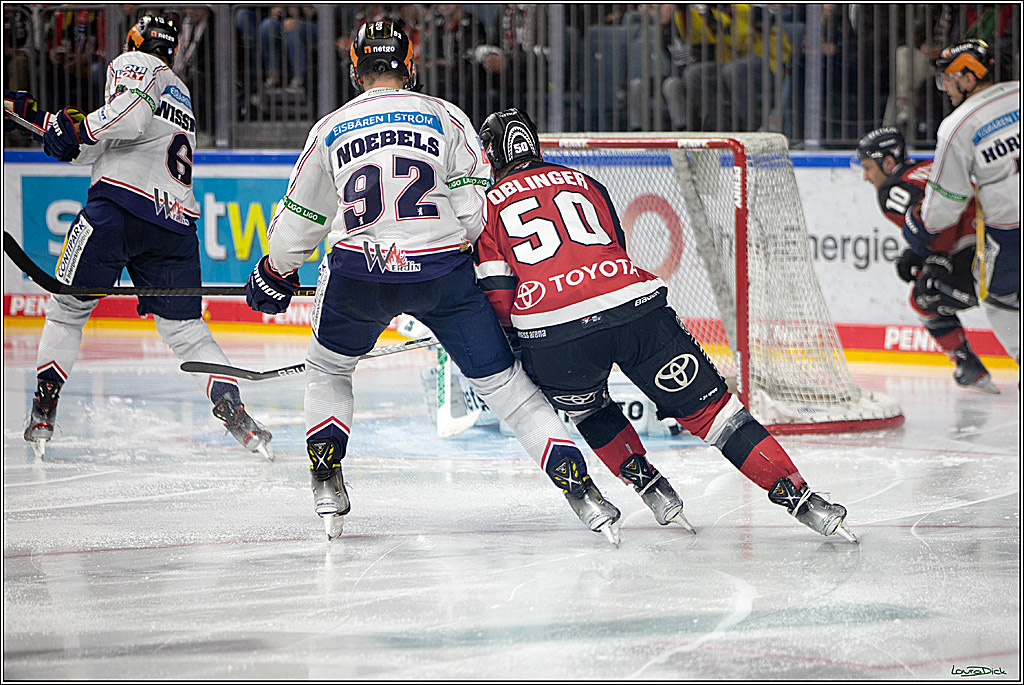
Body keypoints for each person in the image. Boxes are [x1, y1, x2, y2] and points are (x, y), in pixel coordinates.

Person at [245, 20, 622, 544]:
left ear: (355, 67)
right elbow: (475, 215)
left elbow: (300, 221)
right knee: (509, 391)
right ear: (410, 62)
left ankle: (326, 478)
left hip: (360, 275)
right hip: (442, 275)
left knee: (328, 370)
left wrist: (276, 269)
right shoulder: (446, 117)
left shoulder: (329, 127)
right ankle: (582, 491)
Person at [474, 107, 857, 542]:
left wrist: (516, 348)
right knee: (717, 414)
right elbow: (611, 249)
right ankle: (805, 501)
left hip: (555, 330)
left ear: (490, 154)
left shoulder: (486, 206)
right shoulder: (584, 182)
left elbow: (499, 297)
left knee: (590, 408)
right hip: (634, 309)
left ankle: (649, 489)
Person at [19, 15, 272, 461]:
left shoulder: (134, 63)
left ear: (136, 41)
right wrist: (50, 127)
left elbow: (127, 120)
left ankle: (44, 407)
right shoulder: (181, 91)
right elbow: (109, 140)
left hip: (117, 208)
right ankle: (234, 411)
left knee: (67, 310)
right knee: (187, 331)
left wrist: (75, 130)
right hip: (173, 226)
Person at [857, 126, 998, 393]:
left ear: (888, 162)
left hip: (977, 243)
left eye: (867, 167)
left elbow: (937, 216)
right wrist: (923, 254)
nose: (865, 176)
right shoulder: (924, 166)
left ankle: (969, 367)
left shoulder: (892, 191)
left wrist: (938, 256)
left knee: (924, 298)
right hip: (998, 229)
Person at [912, 39, 1019, 365]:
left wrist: (922, 223)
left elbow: (946, 203)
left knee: (1001, 301)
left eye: (948, 79)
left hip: (1012, 232)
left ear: (969, 78)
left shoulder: (958, 125)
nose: (944, 87)